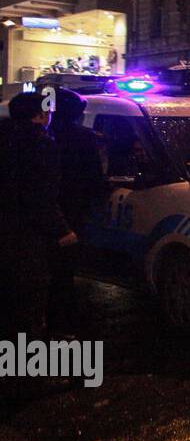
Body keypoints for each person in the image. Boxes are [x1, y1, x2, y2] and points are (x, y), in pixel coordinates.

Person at [0, 92, 77, 345]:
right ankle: (26, 363)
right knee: (28, 296)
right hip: (24, 233)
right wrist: (62, 230)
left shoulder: (5, 136)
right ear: (41, 114)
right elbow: (39, 194)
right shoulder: (40, 144)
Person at [46, 88, 107, 334]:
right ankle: (62, 323)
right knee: (63, 270)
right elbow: (93, 177)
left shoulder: (43, 134)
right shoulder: (83, 138)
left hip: (39, 212)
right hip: (70, 210)